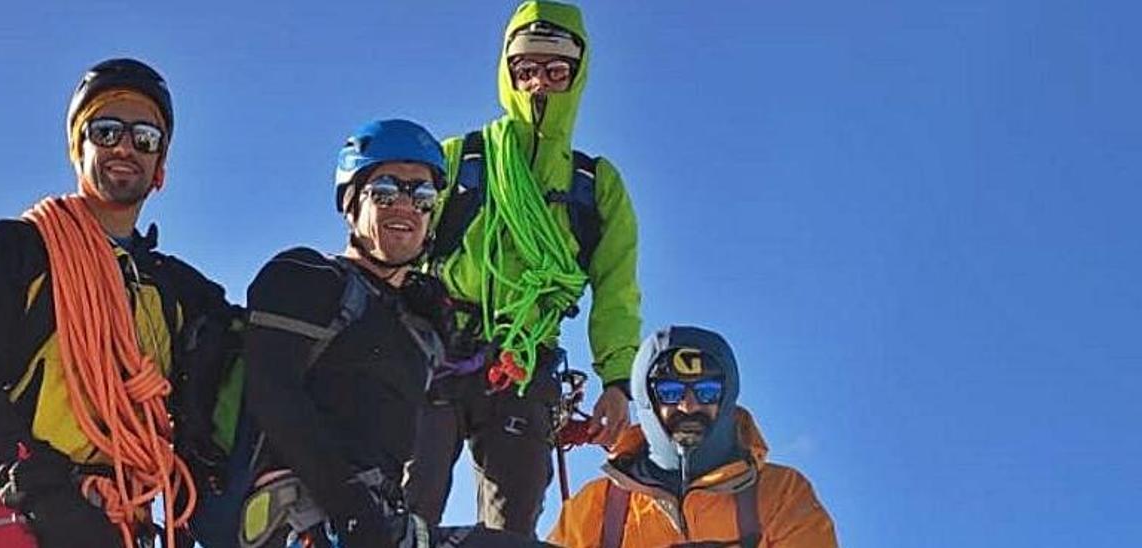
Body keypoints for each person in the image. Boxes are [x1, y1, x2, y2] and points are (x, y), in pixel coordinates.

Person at [0, 58, 228, 548]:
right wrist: (41, 492)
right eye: (106, 131)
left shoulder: (176, 291)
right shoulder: (16, 249)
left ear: (160, 168)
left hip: (121, 519)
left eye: (145, 138)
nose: (125, 148)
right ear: (78, 146)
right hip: (18, 504)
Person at [237, 119, 553, 548]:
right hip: (304, 523)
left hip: (384, 525)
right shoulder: (307, 278)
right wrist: (350, 512)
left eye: (422, 196)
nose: (405, 206)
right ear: (351, 203)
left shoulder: (421, 321)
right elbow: (271, 395)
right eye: (384, 192)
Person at [404, 0, 642, 538]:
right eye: (526, 70)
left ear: (578, 76)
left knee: (513, 530)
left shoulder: (596, 187)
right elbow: (395, 245)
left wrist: (618, 381)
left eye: (556, 72)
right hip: (436, 350)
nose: (539, 85)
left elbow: (617, 289)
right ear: (507, 73)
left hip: (526, 364)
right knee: (403, 513)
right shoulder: (456, 160)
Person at [548, 326, 839, 547]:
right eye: (671, 393)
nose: (688, 406)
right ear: (648, 401)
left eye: (706, 392)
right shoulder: (596, 505)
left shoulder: (780, 494)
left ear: (726, 399)